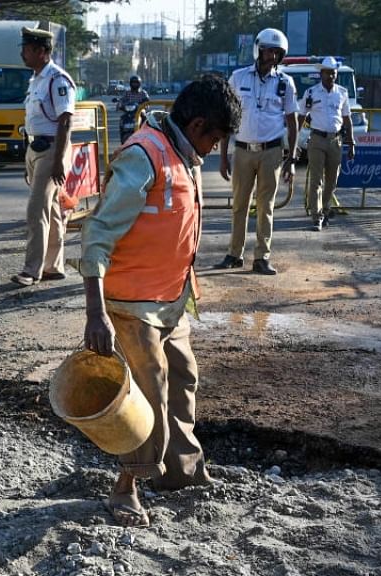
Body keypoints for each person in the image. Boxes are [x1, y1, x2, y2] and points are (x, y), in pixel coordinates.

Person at [79, 75, 241, 527]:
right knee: (148, 390)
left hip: (171, 299)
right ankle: (125, 488)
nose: (215, 148)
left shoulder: (186, 156)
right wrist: (96, 313)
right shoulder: (143, 156)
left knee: (183, 378)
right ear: (197, 123)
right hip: (131, 303)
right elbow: (97, 235)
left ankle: (182, 472)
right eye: (214, 138)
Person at [215, 28, 299, 276]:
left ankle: (262, 257)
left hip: (271, 152)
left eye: (277, 52)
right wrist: (223, 156)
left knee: (266, 206)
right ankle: (234, 254)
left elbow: (292, 122)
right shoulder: (238, 78)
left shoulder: (286, 83)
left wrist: (291, 159)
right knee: (239, 205)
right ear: (258, 50)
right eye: (268, 51)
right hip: (242, 151)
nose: (271, 56)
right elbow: (227, 118)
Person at [11, 25, 76, 287]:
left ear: (42, 51)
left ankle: (31, 270)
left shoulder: (57, 79)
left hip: (51, 150)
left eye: (27, 49)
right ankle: (53, 266)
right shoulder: (36, 79)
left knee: (35, 209)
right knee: (50, 209)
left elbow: (65, 121)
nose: (23, 54)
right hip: (35, 149)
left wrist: (60, 159)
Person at [300, 56, 355, 231]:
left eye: (333, 73)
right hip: (317, 139)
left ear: (336, 74)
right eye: (326, 73)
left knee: (332, 180)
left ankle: (325, 209)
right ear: (321, 74)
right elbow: (301, 116)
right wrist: (294, 140)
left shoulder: (342, 93)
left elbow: (347, 119)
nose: (330, 76)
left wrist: (351, 142)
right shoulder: (311, 93)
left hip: (336, 141)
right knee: (316, 180)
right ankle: (316, 216)